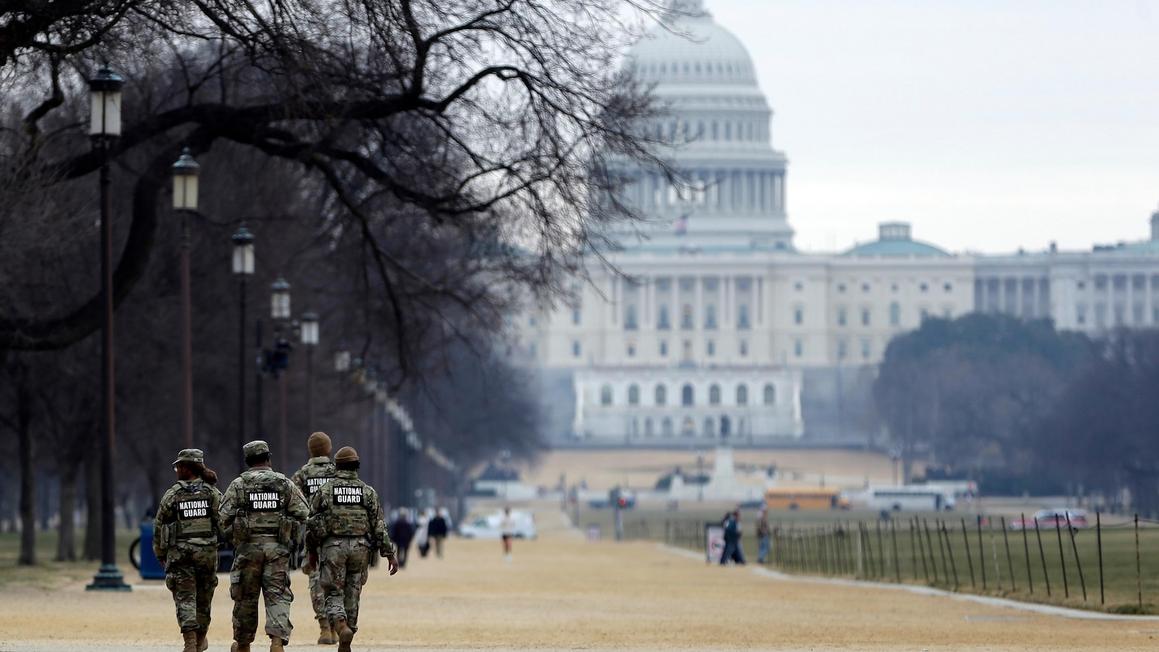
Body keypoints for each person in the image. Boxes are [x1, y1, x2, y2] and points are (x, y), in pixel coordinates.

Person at [220, 440, 309, 652]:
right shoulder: (284, 483)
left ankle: (243, 644)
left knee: (245, 597)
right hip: (277, 549)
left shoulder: (238, 484)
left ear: (247, 461)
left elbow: (222, 518)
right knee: (277, 595)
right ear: (268, 458)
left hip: (247, 550)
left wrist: (234, 533)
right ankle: (277, 642)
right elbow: (304, 512)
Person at [307, 446, 398, 652]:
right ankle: (348, 634)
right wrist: (390, 554)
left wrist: (311, 551)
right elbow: (379, 526)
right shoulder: (367, 491)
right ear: (357, 466)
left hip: (333, 547)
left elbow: (312, 523)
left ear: (337, 466)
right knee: (353, 591)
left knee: (332, 591)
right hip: (360, 547)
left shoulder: (325, 490)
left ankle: (341, 626)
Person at [154, 449, 223, 652]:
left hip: (180, 555)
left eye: (179, 467)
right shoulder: (212, 493)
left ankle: (190, 643)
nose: (177, 470)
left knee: (185, 598)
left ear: (187, 468)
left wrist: (160, 553)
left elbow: (159, 526)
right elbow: (223, 521)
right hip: (206, 554)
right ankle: (199, 640)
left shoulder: (173, 494)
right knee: (204, 598)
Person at [289, 432, 338, 645]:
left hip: (312, 535)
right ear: (328, 449)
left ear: (310, 450)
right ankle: (338, 624)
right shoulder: (337, 472)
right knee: (337, 579)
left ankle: (325, 628)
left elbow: (292, 502)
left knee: (316, 581)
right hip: (336, 534)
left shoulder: (302, 475)